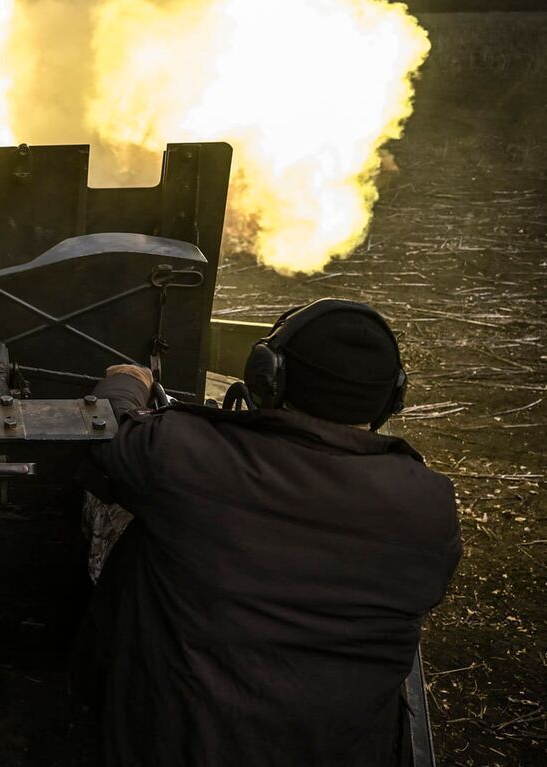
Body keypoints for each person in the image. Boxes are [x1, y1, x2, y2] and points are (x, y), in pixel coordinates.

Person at [78, 298, 462, 767]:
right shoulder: (430, 503)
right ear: (392, 399)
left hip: (186, 745)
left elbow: (106, 439)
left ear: (267, 375)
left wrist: (125, 382)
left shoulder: (188, 456)